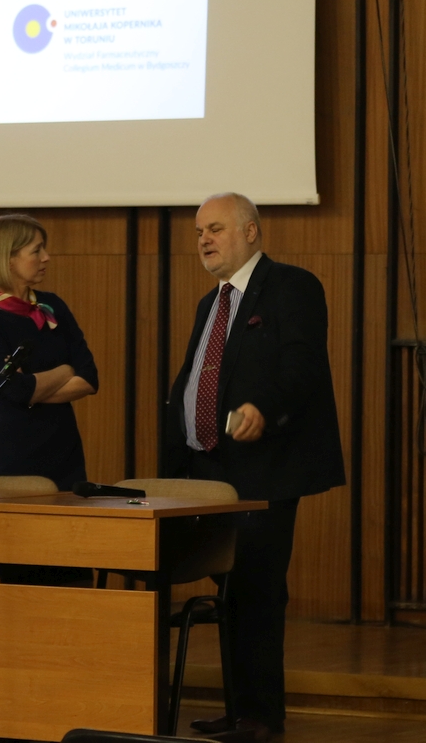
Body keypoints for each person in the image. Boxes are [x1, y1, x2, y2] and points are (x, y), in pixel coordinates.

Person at [165, 193, 345, 741]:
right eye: (199, 232)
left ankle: (261, 716)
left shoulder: (291, 286)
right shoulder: (210, 303)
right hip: (205, 471)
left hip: (263, 469)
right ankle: (239, 707)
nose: (204, 240)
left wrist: (264, 408)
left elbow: (303, 365)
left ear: (250, 231)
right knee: (231, 592)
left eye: (215, 229)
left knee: (257, 589)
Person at [0, 213, 98, 488]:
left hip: (65, 448)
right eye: (36, 251)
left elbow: (89, 379)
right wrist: (66, 370)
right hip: (17, 448)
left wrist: (32, 390)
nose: (46, 257)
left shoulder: (53, 306)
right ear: (8, 259)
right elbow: (13, 389)